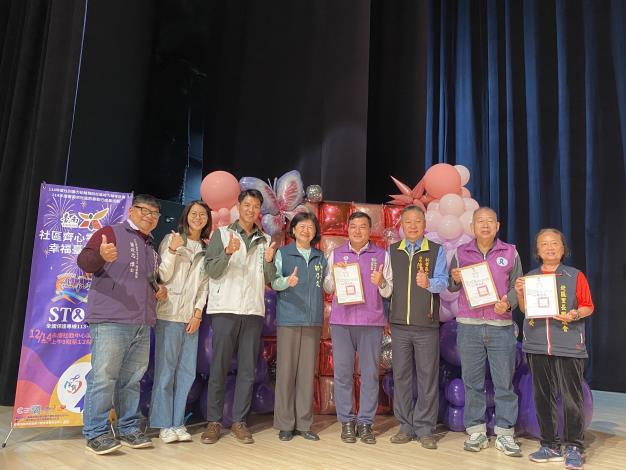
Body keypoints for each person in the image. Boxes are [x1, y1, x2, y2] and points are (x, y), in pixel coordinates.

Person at [77, 194, 167, 455]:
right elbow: (84, 261)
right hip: (111, 319)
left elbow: (149, 279)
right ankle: (96, 433)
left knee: (132, 380)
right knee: (103, 377)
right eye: (144, 210)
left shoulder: (151, 248)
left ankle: (128, 428)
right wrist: (101, 255)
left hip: (142, 321)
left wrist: (159, 289)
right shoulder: (111, 233)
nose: (149, 216)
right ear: (131, 210)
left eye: (154, 213)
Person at [201, 189, 277, 445]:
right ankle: (213, 422)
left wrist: (269, 261)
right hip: (225, 308)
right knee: (219, 367)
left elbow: (269, 279)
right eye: (247, 204)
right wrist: (227, 252)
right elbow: (211, 270)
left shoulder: (266, 239)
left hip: (252, 311)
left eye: (256, 206)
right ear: (238, 206)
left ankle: (239, 422)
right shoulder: (222, 234)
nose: (251, 210)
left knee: (247, 369)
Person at [515, 228, 594, 470]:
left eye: (554, 243)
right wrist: (520, 293)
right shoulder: (530, 278)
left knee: (571, 398)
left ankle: (574, 447)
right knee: (543, 396)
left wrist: (574, 314)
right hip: (537, 344)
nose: (549, 248)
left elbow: (588, 306)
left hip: (568, 344)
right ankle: (549, 445)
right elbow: (525, 310)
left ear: (563, 248)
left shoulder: (574, 275)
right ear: (537, 250)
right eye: (544, 244)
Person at [448, 207, 523, 456]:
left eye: (490, 221)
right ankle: (476, 431)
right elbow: (451, 285)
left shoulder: (510, 252)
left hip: (500, 326)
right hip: (469, 326)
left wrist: (508, 303)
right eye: (480, 221)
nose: (485, 225)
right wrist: (455, 278)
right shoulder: (461, 252)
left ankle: (505, 433)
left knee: (504, 382)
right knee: (472, 382)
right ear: (472, 226)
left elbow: (517, 286)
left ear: (498, 226)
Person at [323, 211, 392, 445]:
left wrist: (381, 282)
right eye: (353, 226)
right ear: (347, 229)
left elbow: (388, 291)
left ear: (370, 230)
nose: (358, 231)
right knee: (342, 374)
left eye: (363, 226)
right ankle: (346, 422)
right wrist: (334, 276)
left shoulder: (382, 255)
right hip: (342, 322)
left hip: (371, 322)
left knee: (370, 375)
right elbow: (328, 287)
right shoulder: (336, 254)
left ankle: (365, 422)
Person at [149, 201, 211, 443]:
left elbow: (204, 285)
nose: (198, 217)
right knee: (166, 372)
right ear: (186, 216)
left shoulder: (205, 249)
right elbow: (162, 276)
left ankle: (177, 423)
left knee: (186, 373)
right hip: (169, 314)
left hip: (190, 319)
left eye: (202, 214)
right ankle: (163, 424)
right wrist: (173, 251)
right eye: (194, 213)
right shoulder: (171, 239)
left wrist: (198, 313)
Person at [387, 205, 448, 449]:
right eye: (408, 222)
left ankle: (424, 428)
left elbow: (443, 282)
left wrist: (428, 283)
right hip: (399, 325)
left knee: (427, 378)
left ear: (425, 224)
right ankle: (405, 426)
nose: (412, 226)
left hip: (426, 325)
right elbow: (387, 287)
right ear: (402, 225)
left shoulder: (436, 250)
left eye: (417, 221)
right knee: (401, 377)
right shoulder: (392, 251)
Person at [272, 212, 327, 442]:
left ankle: (304, 424)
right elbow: (274, 282)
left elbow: (328, 285)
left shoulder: (320, 257)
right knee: (286, 373)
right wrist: (288, 281)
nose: (306, 230)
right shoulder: (283, 253)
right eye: (301, 226)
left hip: (312, 321)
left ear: (315, 232)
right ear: (293, 230)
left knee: (306, 374)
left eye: (310, 227)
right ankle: (285, 424)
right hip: (289, 319)